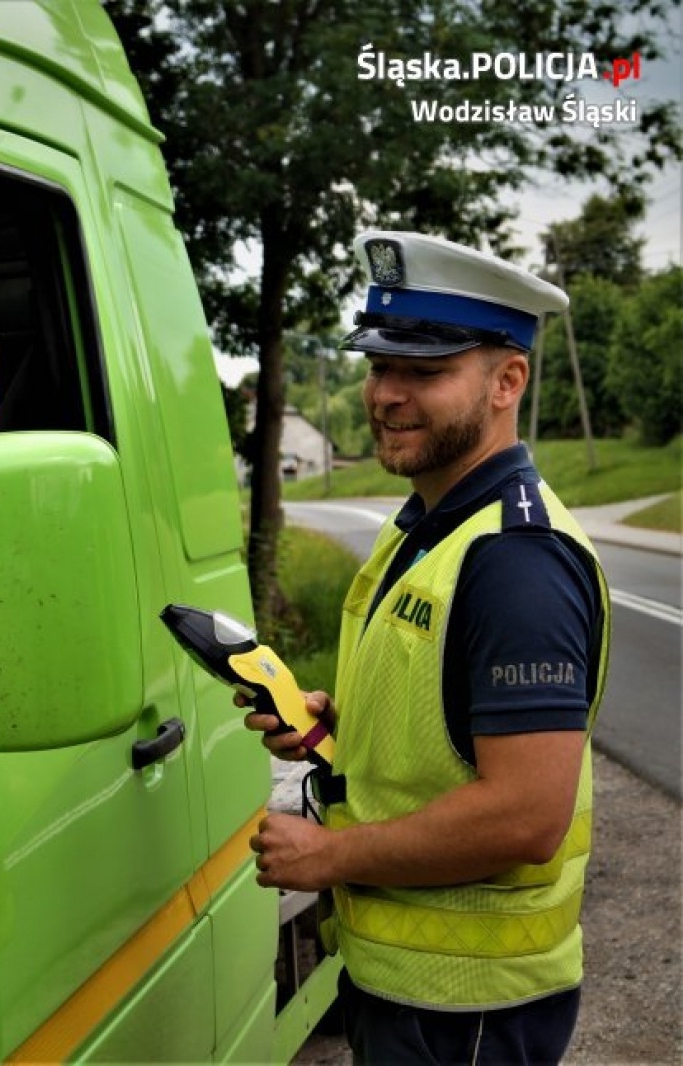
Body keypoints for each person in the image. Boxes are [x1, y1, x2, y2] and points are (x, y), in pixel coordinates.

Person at [245, 231, 610, 1064]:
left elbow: (527, 814)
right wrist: (332, 728)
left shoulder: (516, 559)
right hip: (407, 988)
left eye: (425, 371)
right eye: (380, 366)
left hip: (468, 1012)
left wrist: (330, 854)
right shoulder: (425, 526)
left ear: (507, 381)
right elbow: (440, 723)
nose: (386, 395)